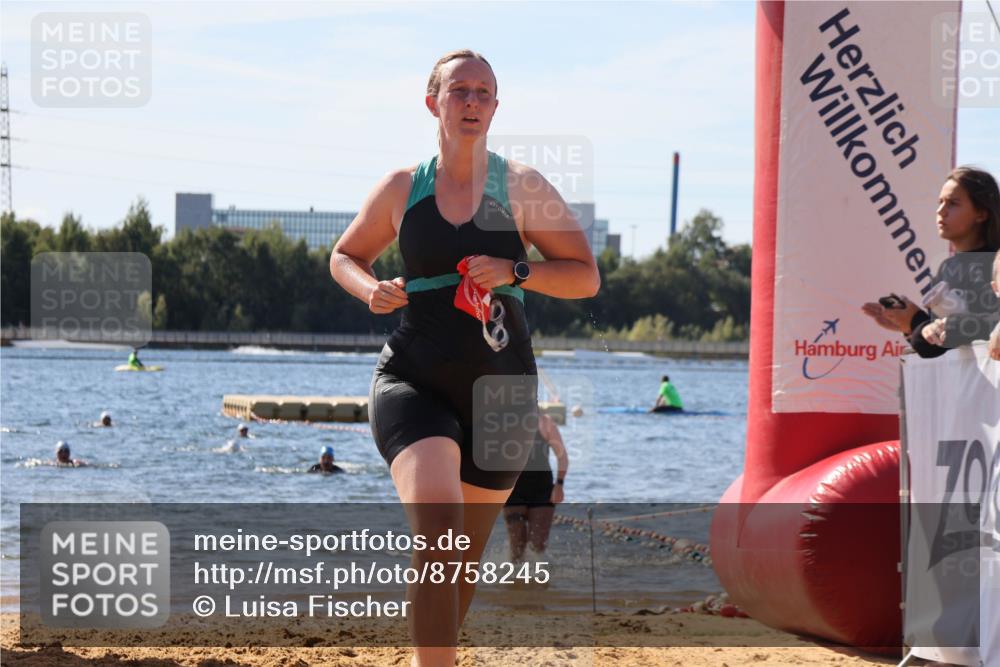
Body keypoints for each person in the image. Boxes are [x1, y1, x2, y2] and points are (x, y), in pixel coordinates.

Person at [329, 49, 599, 666]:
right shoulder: (403, 188)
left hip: (502, 395)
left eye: (484, 92)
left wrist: (516, 269)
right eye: (460, 91)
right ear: (434, 103)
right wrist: (370, 288)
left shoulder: (524, 187)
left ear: (496, 107)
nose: (472, 101)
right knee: (438, 537)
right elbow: (344, 255)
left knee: (462, 559)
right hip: (413, 380)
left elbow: (584, 277)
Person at [862, 167, 1000, 357]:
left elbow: (988, 325)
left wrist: (916, 323)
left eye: (953, 203)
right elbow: (936, 345)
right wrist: (908, 324)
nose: (940, 211)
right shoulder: (947, 267)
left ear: (981, 214)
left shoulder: (995, 263)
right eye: (940, 202)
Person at [503, 413, 569, 563]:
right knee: (517, 546)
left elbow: (562, 457)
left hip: (542, 488)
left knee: (538, 546)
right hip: (513, 489)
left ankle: (536, 583)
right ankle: (515, 583)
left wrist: (559, 485)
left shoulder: (545, 422)